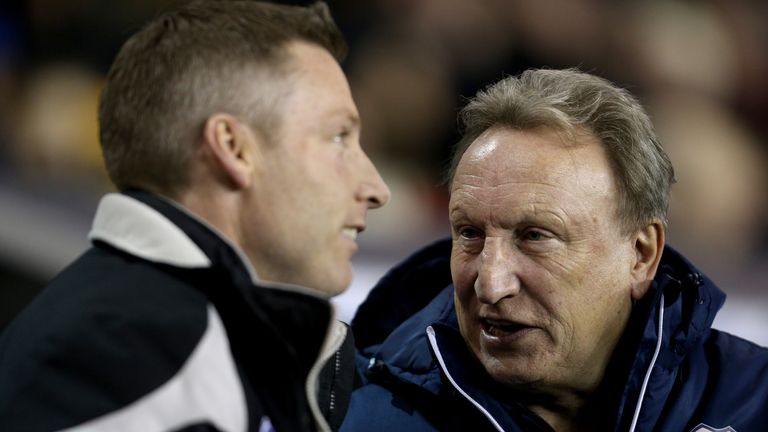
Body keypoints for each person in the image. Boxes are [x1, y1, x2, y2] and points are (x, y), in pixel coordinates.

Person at [0, 1, 390, 431]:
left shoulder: (139, 326)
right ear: (234, 148)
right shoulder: (143, 355)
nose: (375, 189)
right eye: (338, 137)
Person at [341, 69, 768, 432]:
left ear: (640, 255)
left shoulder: (753, 399)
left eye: (535, 237)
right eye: (469, 233)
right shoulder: (359, 416)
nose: (491, 284)